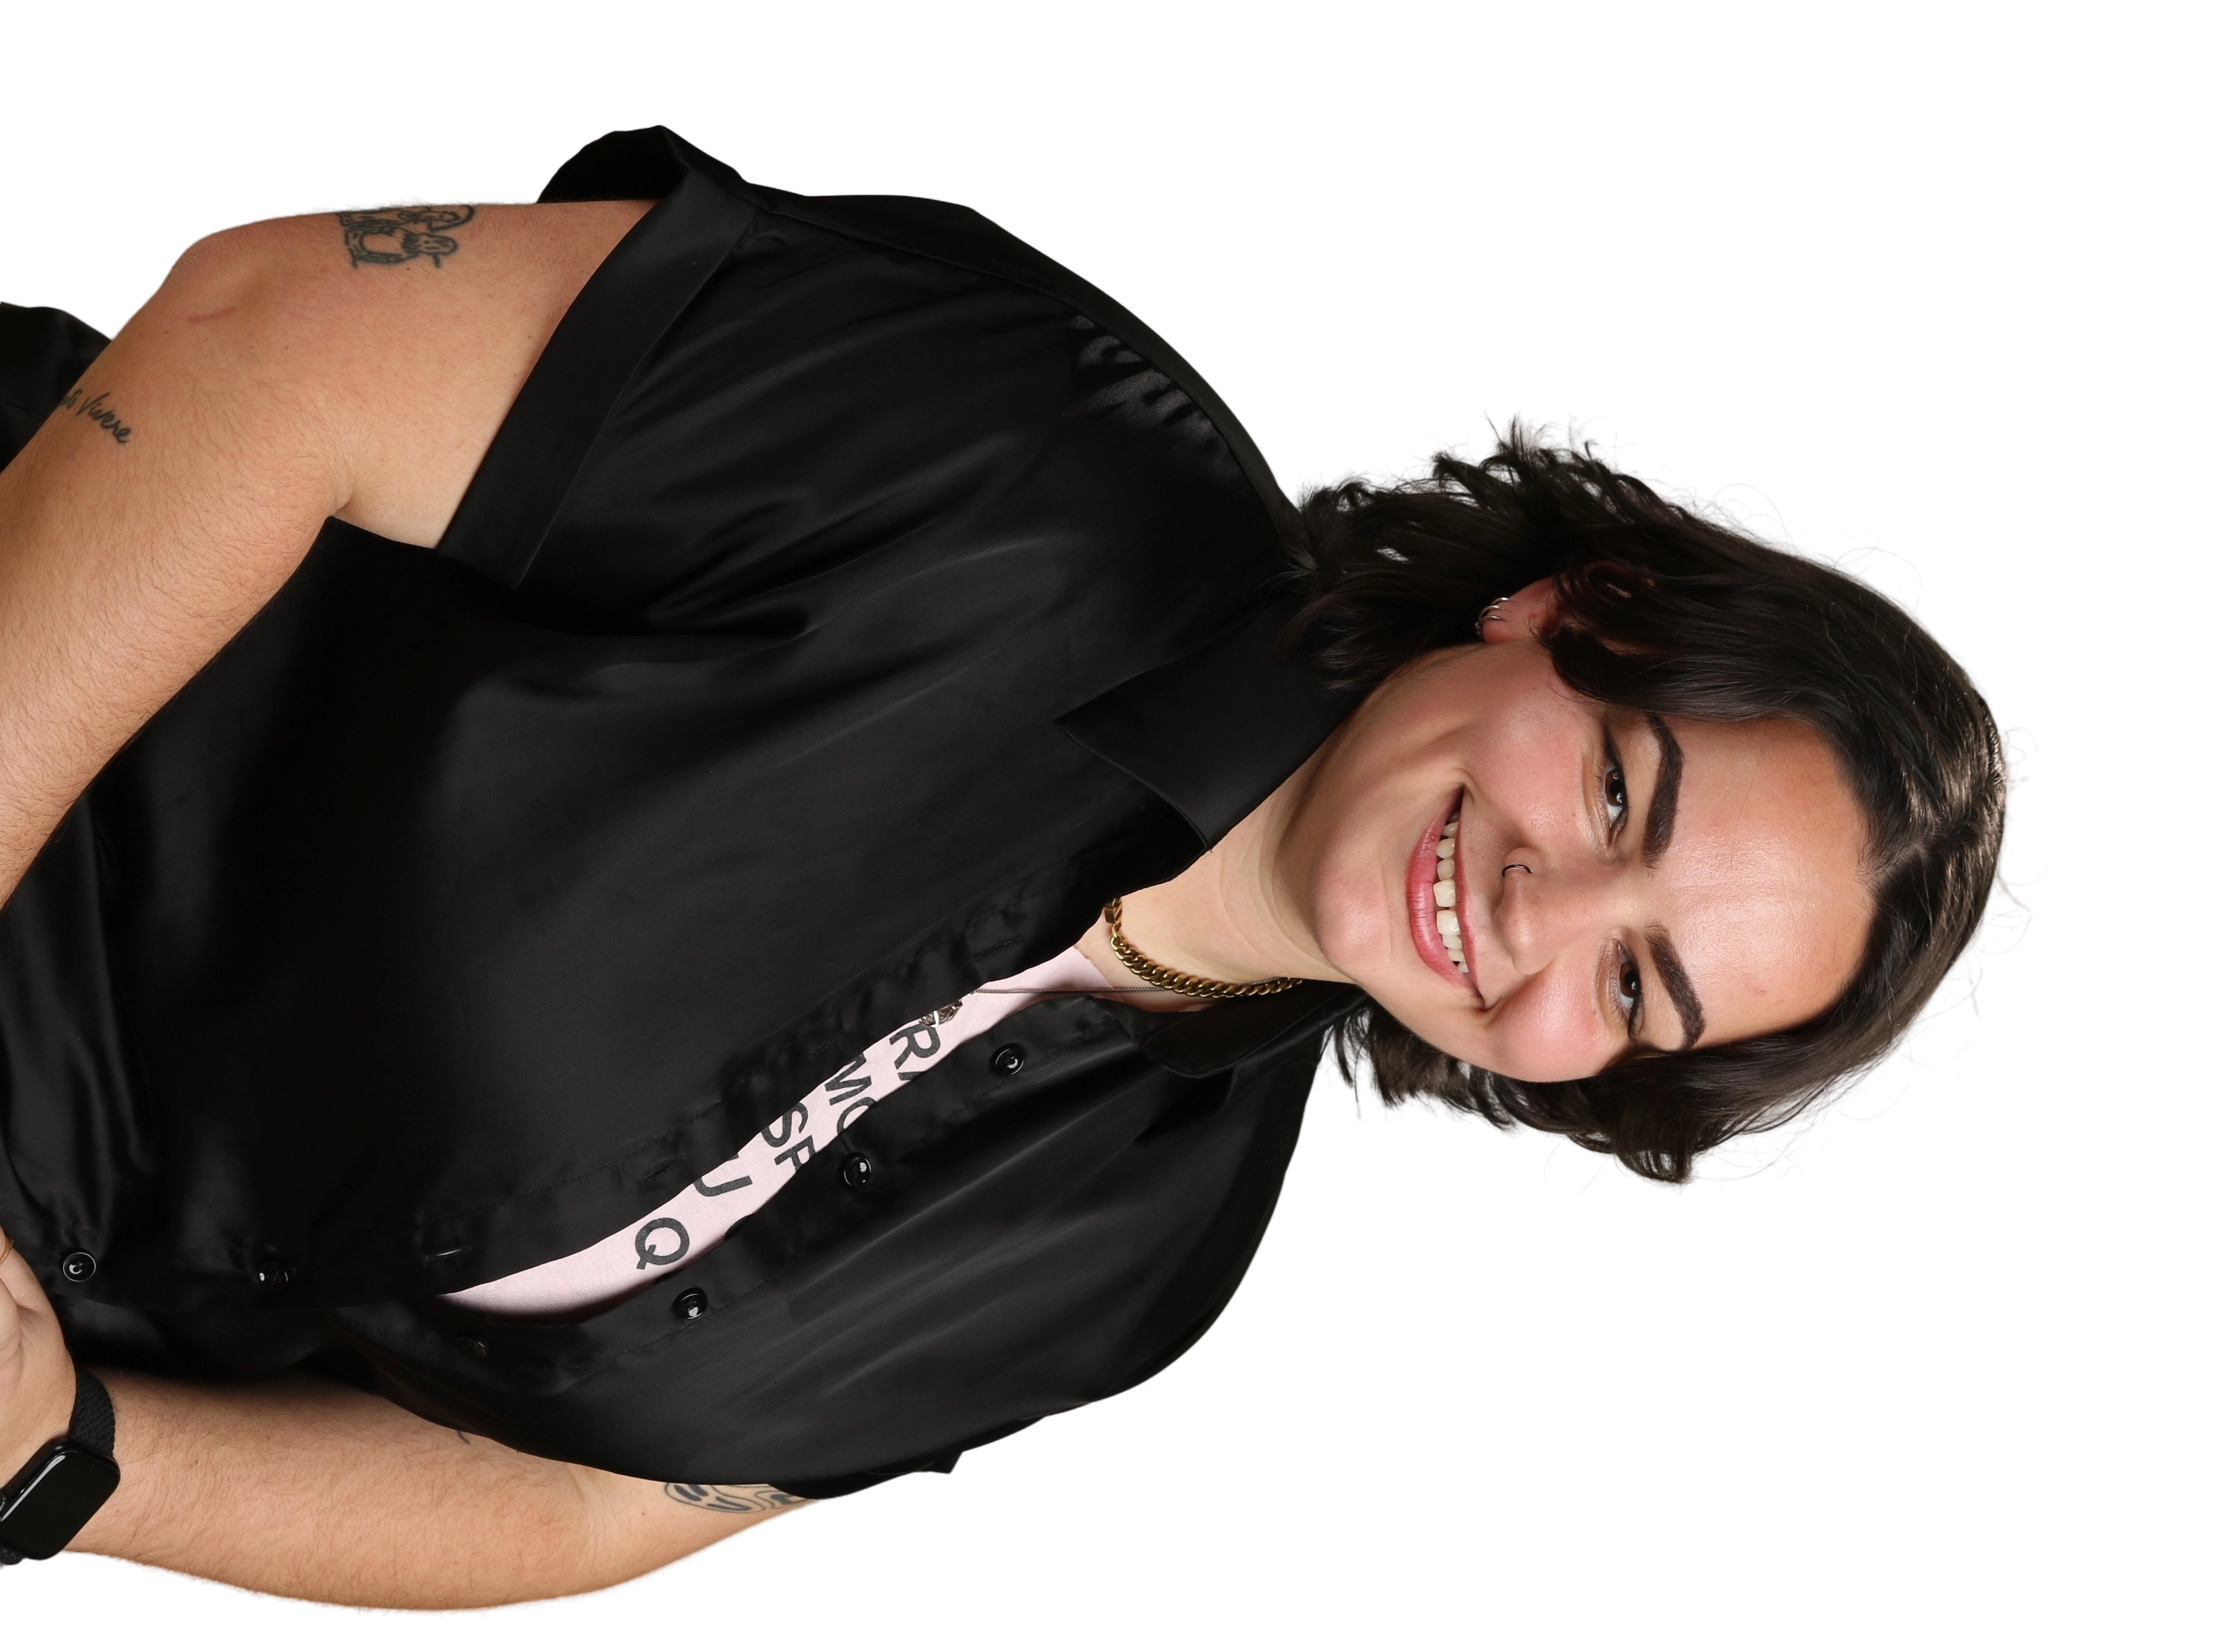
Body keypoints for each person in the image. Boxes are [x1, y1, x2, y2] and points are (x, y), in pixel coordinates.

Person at [0, 125, 2031, 1613]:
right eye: (1617, 798)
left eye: (1639, 988)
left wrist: (80, 1461)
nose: (1542, 919)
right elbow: (280, 329)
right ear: (1569, 612)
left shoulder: (1140, 1262)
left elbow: (597, 1505)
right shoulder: (1028, 451)